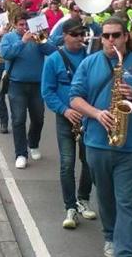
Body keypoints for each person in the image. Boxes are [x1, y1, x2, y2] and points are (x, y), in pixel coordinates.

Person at [69, 16, 132, 257]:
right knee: (106, 197)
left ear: (125, 37)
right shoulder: (89, 63)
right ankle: (110, 235)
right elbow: (74, 98)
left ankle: (125, 251)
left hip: (130, 147)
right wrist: (96, 113)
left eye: (116, 35)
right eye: (106, 36)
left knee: (126, 201)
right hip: (96, 144)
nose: (111, 40)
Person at [41, 19, 96, 229]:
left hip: (87, 117)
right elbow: (47, 91)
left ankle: (83, 199)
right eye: (75, 35)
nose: (80, 39)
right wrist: (65, 110)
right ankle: (70, 206)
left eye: (82, 34)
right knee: (67, 162)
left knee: (88, 160)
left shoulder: (91, 58)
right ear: (64, 35)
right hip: (66, 118)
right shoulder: (53, 59)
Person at [0, 13, 57, 169]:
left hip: (37, 84)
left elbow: (53, 51)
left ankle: (33, 143)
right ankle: (21, 154)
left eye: (27, 25)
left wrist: (41, 41)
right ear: (15, 24)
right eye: (21, 25)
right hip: (16, 85)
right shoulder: (9, 38)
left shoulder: (38, 37)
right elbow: (4, 54)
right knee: (18, 120)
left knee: (38, 118)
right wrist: (22, 42)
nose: (25, 28)